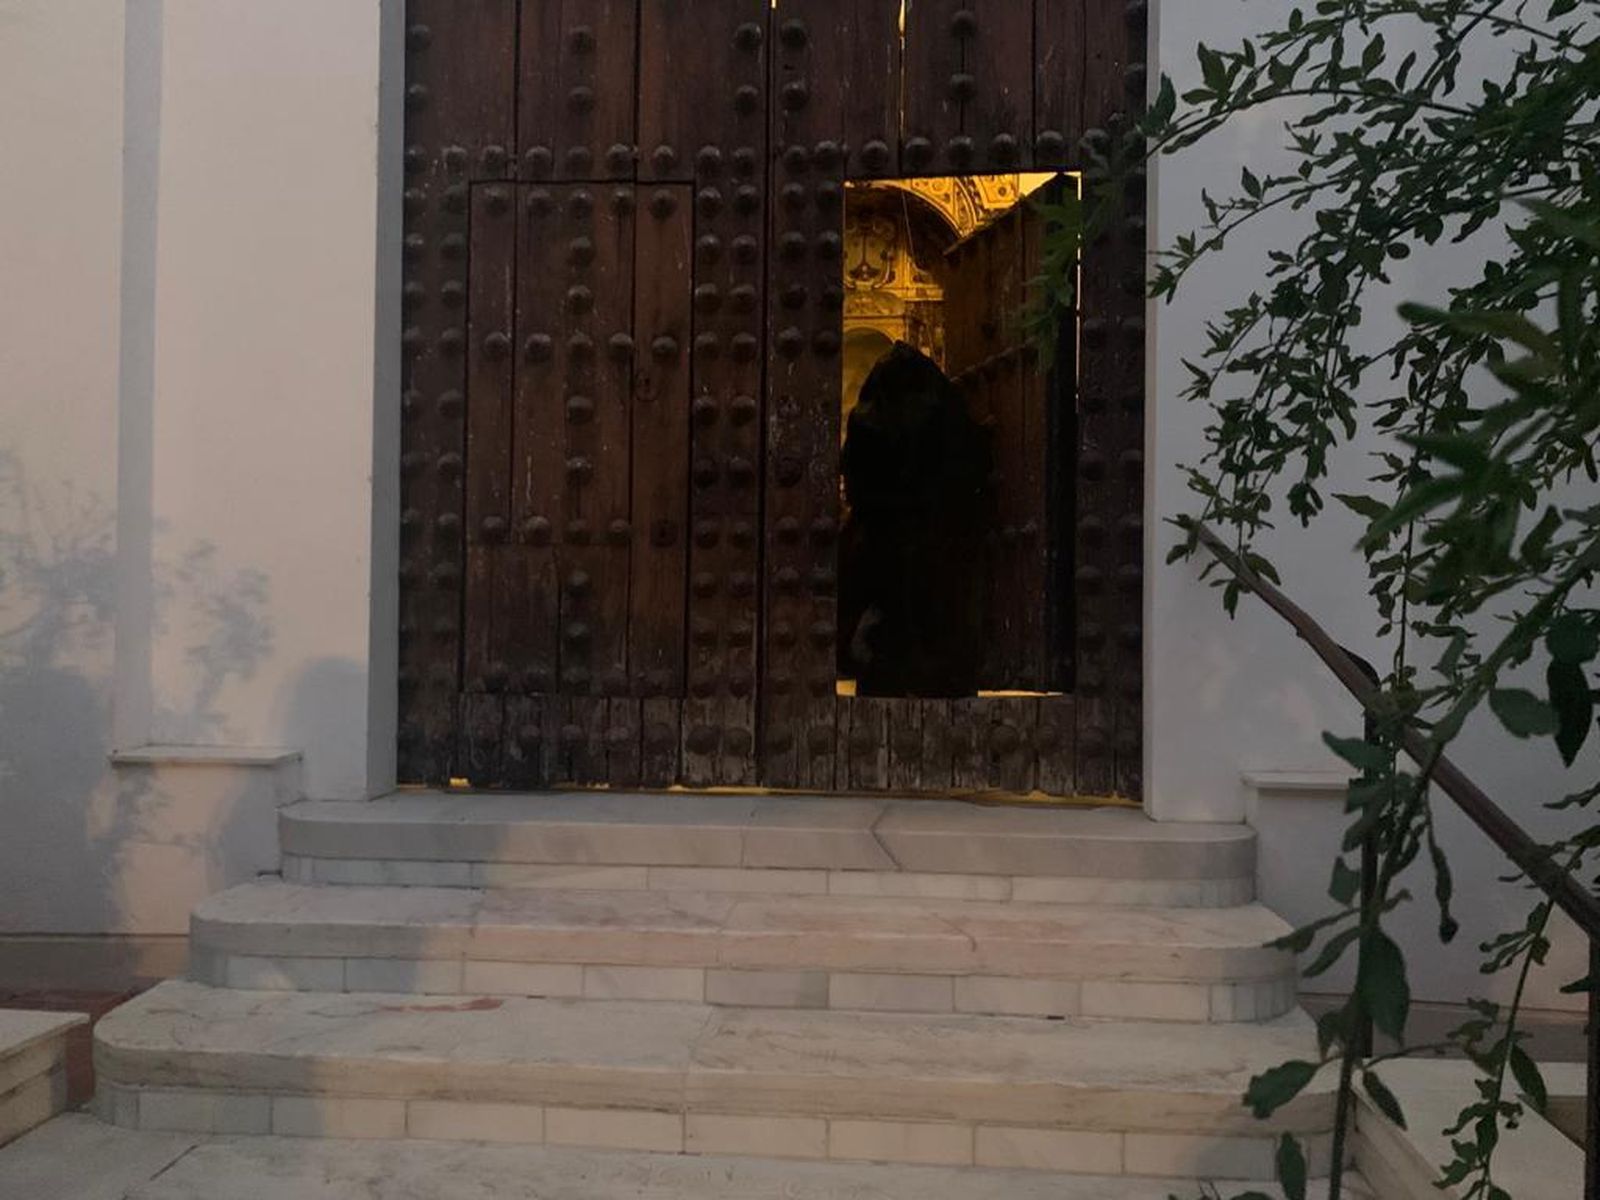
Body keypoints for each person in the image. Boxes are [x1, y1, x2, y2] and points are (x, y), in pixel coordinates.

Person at [838, 342, 994, 697]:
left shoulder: (868, 421)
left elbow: (856, 479)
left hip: (883, 543)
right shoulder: (944, 415)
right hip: (938, 546)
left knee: (887, 638)